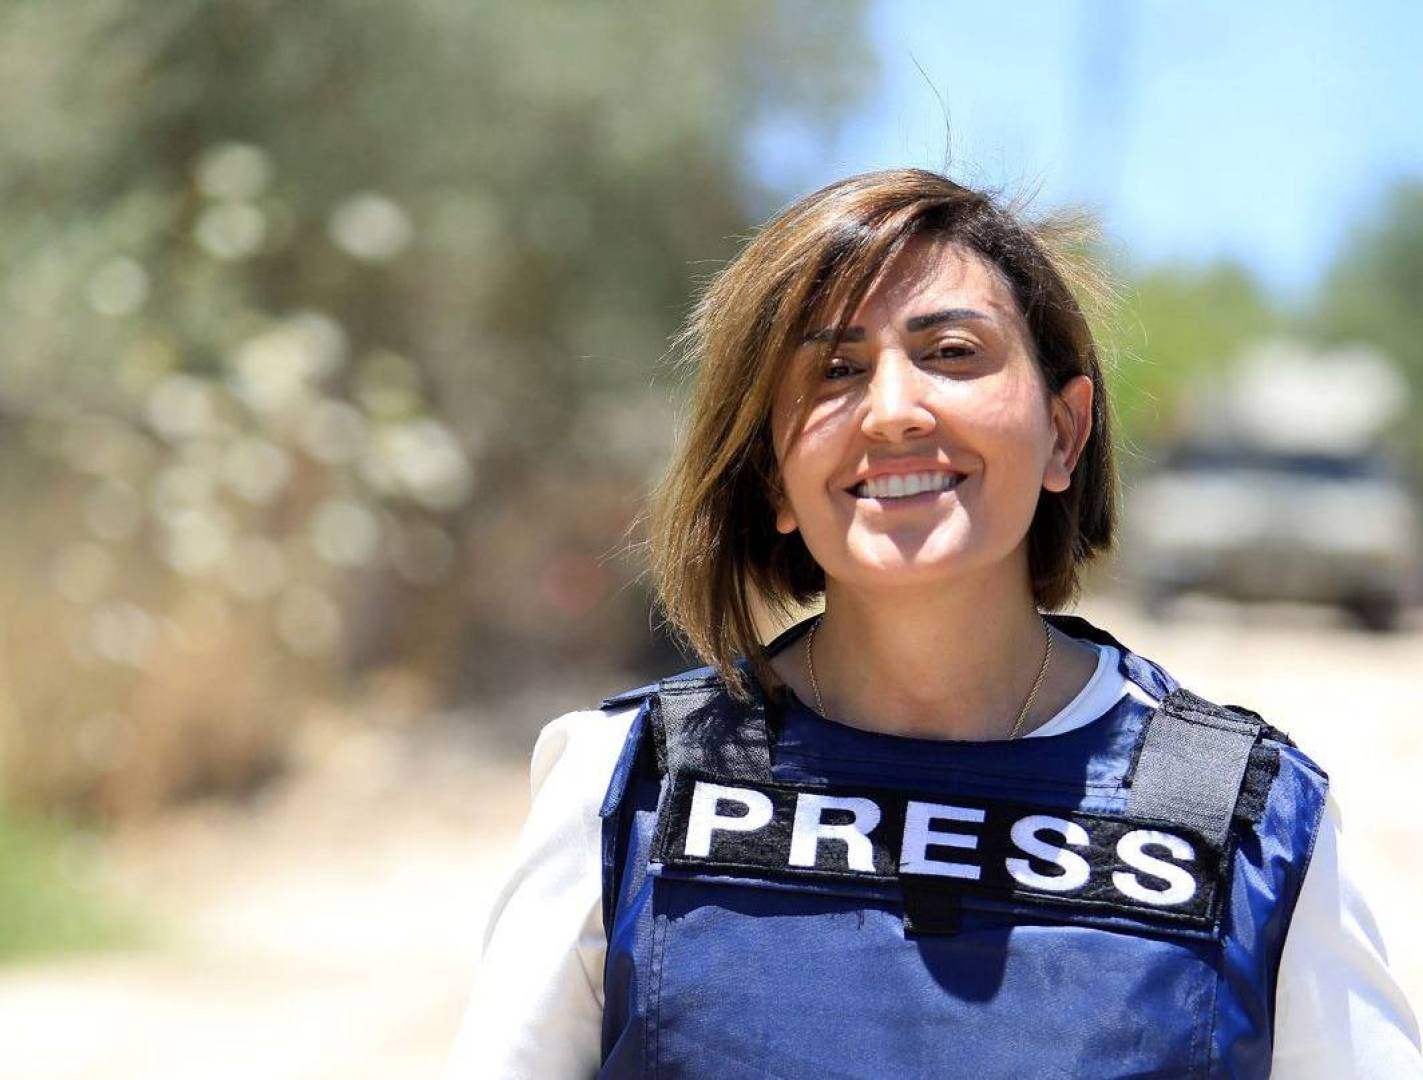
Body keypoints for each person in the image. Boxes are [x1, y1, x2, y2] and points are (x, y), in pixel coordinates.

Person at [448, 169, 1423, 1078]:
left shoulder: (1253, 825)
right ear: (772, 474)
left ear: (1064, 433)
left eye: (951, 353)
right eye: (834, 369)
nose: (892, 412)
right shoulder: (623, 786)